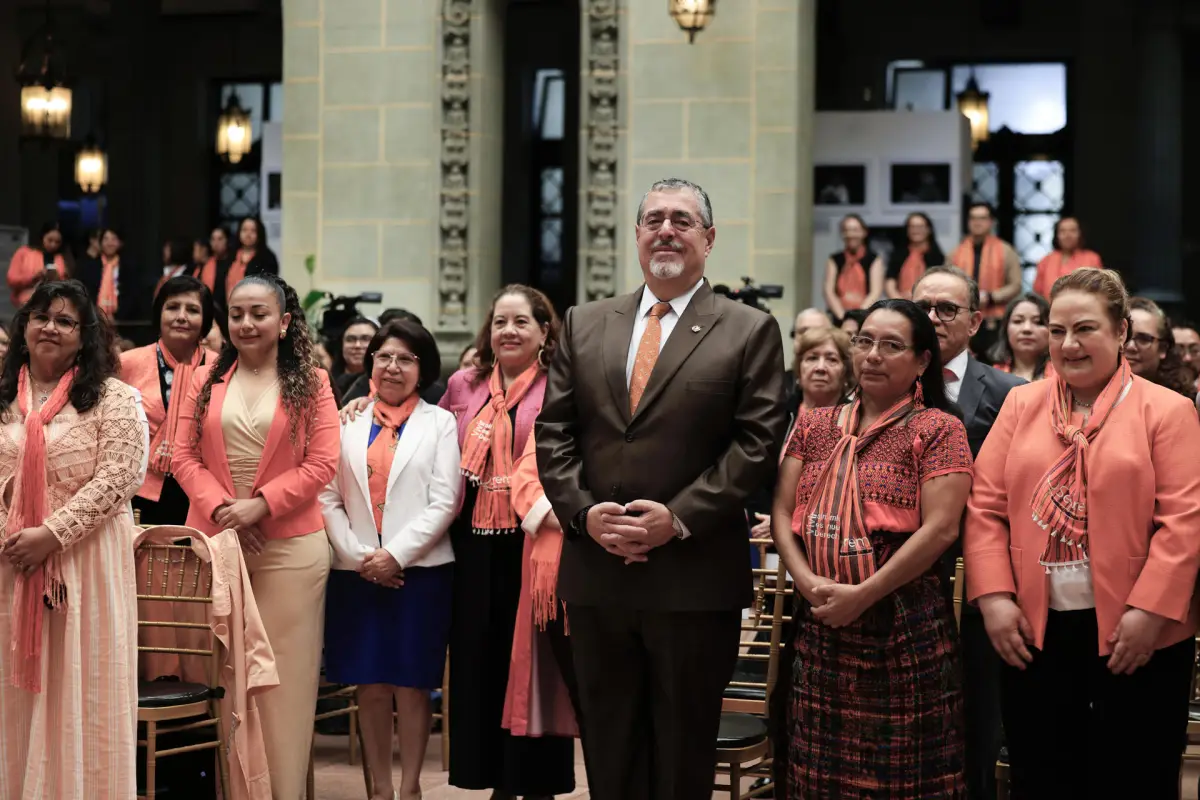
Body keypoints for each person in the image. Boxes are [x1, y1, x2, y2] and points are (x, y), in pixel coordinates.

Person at [536, 178, 787, 800]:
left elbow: (756, 445)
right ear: (638, 236)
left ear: (708, 237)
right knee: (609, 745)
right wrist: (585, 515)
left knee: (681, 751)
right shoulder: (585, 322)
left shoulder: (748, 330)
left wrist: (674, 518)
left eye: (681, 220)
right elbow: (553, 433)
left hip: (692, 577)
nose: (665, 230)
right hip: (598, 574)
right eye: (653, 220)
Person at [964, 267, 1200, 798]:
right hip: (1035, 630)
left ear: (1121, 333)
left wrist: (1151, 613)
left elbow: (1184, 520)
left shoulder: (1167, 410)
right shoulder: (1022, 404)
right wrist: (996, 600)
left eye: (1085, 329)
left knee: (1135, 775)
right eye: (1056, 330)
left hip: (1140, 632)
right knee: (1044, 775)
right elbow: (985, 507)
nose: (1068, 344)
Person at [771, 298, 972, 798]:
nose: (873, 355)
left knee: (904, 778)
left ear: (923, 361)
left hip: (903, 621)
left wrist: (864, 594)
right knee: (819, 774)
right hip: (821, 620)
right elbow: (781, 513)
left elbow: (941, 530)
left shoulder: (939, 429)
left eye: (891, 345)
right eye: (864, 341)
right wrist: (808, 582)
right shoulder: (816, 425)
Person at [172, 274, 339, 800]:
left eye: (259, 313)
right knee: (226, 678)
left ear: (284, 322)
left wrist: (261, 506)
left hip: (289, 551)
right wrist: (227, 513)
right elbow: (182, 457)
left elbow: (322, 464)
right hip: (218, 548)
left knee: (282, 689)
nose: (246, 323)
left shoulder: (312, 382)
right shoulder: (200, 380)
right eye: (237, 313)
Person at [0, 279, 148, 797]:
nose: (51, 328)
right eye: (42, 316)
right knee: (11, 700)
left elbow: (120, 478)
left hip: (84, 570)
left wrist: (51, 534)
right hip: (10, 567)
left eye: (66, 321)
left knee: (80, 692)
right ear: (24, 328)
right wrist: (14, 534)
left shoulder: (114, 398)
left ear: (85, 336)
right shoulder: (2, 399)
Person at [439, 284, 574, 799]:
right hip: (473, 546)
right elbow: (429, 435)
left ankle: (533, 780)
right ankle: (493, 777)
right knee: (480, 662)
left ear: (545, 331)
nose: (509, 331)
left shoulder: (561, 386)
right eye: (500, 322)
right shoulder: (464, 385)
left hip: (534, 543)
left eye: (522, 322)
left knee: (535, 664)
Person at [320, 320, 460, 800]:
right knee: (370, 684)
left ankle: (411, 787)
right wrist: (360, 556)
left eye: (405, 358)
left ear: (423, 369)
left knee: (411, 684)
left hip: (419, 573)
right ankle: (379, 790)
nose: (393, 367)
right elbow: (327, 497)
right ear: (369, 363)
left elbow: (445, 501)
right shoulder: (345, 421)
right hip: (355, 571)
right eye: (384, 356)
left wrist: (394, 555)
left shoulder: (441, 423)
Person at [910, 265, 1023, 798]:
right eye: (923, 307)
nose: (932, 318)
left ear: (976, 321)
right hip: (897, 576)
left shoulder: (1009, 392)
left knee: (975, 716)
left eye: (947, 309)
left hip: (974, 579)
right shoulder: (882, 381)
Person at [120, 276, 216, 525]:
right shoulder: (127, 364)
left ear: (205, 320)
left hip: (204, 491)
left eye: (193, 310)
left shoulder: (222, 368)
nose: (181, 316)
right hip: (140, 490)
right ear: (158, 313)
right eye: (172, 307)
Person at [948, 202, 1022, 323]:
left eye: (982, 218)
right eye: (973, 218)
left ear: (991, 222)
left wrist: (991, 297)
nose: (977, 222)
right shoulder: (955, 253)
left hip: (996, 318)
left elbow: (1016, 285)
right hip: (962, 317)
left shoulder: (1006, 250)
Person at [1125, 297, 1195, 400]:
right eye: (1125, 336)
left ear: (1162, 349)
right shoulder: (1095, 393)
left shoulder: (1178, 403)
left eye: (1143, 339)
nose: (1131, 346)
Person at [78, 228, 147, 323]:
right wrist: (96, 314)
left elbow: (132, 294)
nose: (110, 243)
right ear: (100, 243)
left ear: (120, 243)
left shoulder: (129, 267)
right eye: (106, 239)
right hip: (94, 319)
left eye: (114, 239)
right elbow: (85, 292)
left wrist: (116, 316)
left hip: (123, 321)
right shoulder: (90, 266)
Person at [823, 214, 884, 319]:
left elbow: (875, 292)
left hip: (865, 316)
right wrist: (843, 317)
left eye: (855, 230)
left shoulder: (874, 259)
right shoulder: (834, 259)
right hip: (838, 316)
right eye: (846, 230)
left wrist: (858, 316)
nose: (850, 234)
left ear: (864, 232)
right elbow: (829, 291)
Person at [1031, 216, 1102, 298]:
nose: (1068, 235)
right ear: (1057, 235)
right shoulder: (1046, 260)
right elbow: (1037, 293)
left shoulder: (1092, 259)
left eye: (1073, 230)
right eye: (1062, 231)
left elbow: (1099, 290)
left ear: (1080, 234)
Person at [213, 217, 279, 304]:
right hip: (228, 310)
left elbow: (267, 288)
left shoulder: (267, 258)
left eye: (253, 231)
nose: (248, 234)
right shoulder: (230, 255)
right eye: (244, 230)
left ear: (259, 234)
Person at [988, 292, 1052, 381]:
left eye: (1038, 322)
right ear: (1006, 328)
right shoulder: (991, 377)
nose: (1027, 329)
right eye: (1018, 321)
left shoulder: (1063, 376)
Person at [6, 222, 69, 307]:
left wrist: (57, 279)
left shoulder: (61, 258)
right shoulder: (24, 253)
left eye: (57, 242)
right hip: (27, 303)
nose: (53, 245)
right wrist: (34, 277)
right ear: (42, 236)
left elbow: (67, 285)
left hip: (53, 305)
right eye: (50, 240)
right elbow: (12, 279)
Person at [884, 212, 945, 299]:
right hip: (901, 303)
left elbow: (940, 285)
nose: (916, 230)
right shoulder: (898, 254)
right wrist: (899, 301)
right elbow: (890, 281)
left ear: (929, 230)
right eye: (912, 227)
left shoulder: (937, 256)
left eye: (920, 227)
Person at [197, 226, 231, 294]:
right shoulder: (205, 264)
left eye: (220, 239)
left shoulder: (234, 263)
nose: (216, 243)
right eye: (213, 239)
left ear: (227, 240)